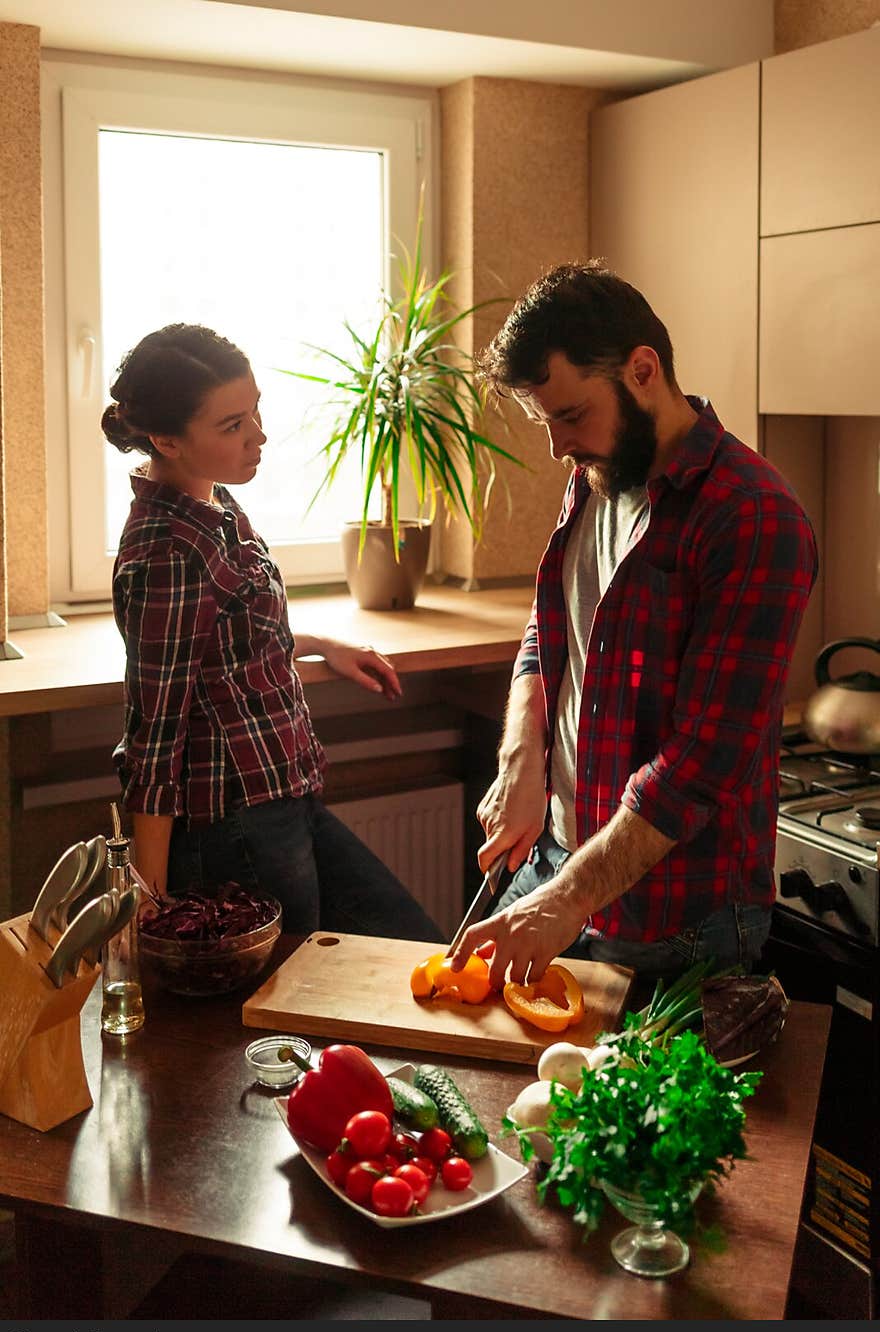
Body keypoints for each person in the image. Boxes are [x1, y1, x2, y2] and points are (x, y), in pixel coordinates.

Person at [450, 261, 818, 992]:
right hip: (558, 862)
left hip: (674, 916)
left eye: (570, 415)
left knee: (630, 1111)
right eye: (546, 420)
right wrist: (522, 758)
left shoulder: (753, 517)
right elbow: (550, 627)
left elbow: (701, 763)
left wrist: (566, 898)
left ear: (643, 371)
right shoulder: (598, 474)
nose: (557, 446)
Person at [104, 322, 441, 942]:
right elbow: (154, 735)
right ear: (165, 439)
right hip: (237, 824)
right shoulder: (166, 553)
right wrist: (146, 901)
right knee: (287, 1009)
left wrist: (318, 646)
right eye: (232, 426)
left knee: (410, 947)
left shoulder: (215, 504)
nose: (258, 436)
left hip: (284, 797)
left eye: (254, 410)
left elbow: (227, 638)